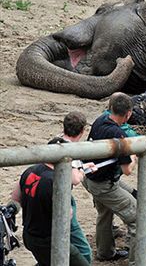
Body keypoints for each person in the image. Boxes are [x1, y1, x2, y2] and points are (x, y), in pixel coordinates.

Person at [11, 111, 96, 266]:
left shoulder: (30, 170)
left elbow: (16, 196)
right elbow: (67, 215)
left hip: (29, 235)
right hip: (49, 239)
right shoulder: (55, 182)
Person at [82, 92, 137, 264]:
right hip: (103, 184)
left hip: (90, 177)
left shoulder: (100, 120)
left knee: (104, 213)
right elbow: (127, 169)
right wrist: (134, 154)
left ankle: (105, 252)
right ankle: (138, 259)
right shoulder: (119, 135)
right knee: (138, 217)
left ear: (110, 108)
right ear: (128, 114)